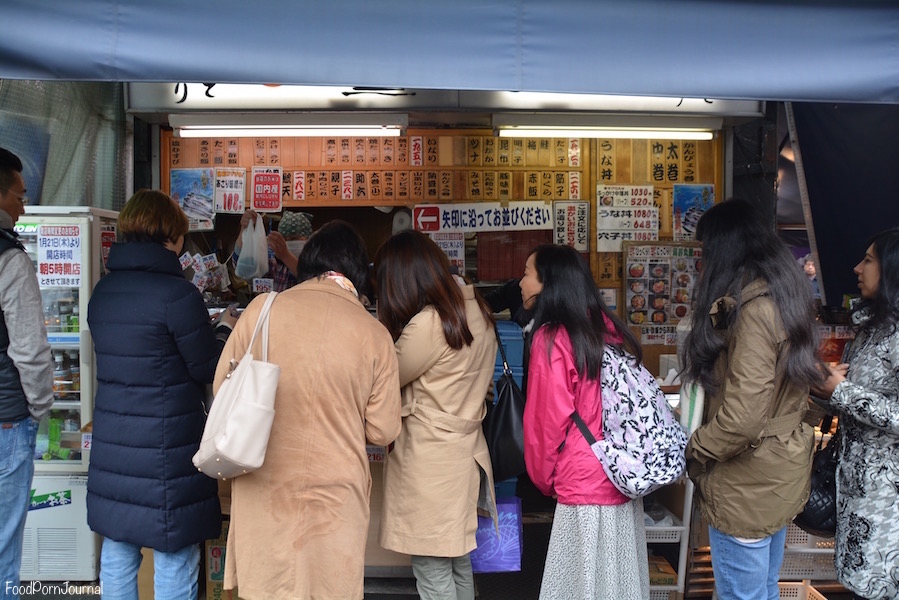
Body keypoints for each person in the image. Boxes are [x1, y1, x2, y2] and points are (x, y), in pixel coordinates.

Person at [215, 220, 401, 600]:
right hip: (334, 499)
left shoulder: (261, 310)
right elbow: (382, 431)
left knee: (268, 587)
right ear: (356, 272)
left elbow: (222, 390)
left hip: (264, 487)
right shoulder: (374, 333)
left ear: (310, 262)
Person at [86, 189, 237, 600]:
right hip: (167, 450)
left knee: (118, 547)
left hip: (116, 449)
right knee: (173, 551)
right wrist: (223, 328)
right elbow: (206, 367)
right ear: (170, 237)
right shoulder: (177, 295)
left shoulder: (103, 292)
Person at [679, 199, 822, 600]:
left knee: (743, 594)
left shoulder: (755, 311)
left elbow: (742, 417)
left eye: (704, 250)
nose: (699, 261)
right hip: (775, 471)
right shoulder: (782, 298)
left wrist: (696, 450)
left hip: (747, 481)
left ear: (725, 249)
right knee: (762, 589)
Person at [519, 243, 649, 600]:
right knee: (615, 585)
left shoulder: (552, 338)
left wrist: (544, 481)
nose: (520, 282)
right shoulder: (612, 330)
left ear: (550, 283)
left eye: (528, 274)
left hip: (581, 482)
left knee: (578, 586)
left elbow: (546, 425)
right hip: (620, 474)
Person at [375, 230, 498, 600]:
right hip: (463, 454)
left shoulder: (430, 323)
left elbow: (386, 378)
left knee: (431, 568)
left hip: (431, 461)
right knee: (456, 558)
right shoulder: (476, 309)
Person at [811, 228, 899, 600]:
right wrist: (822, 388)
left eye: (868, 259)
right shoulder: (871, 329)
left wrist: (841, 390)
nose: (856, 268)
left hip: (888, 504)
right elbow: (849, 401)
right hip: (855, 492)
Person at [0, 148, 53, 599]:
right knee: (2, 546)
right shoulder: (10, 259)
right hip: (6, 420)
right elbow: (30, 350)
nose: (23, 205)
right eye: (18, 195)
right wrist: (40, 406)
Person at [232, 209, 312, 291]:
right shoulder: (271, 260)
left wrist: (286, 256)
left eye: (294, 238)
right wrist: (244, 228)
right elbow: (241, 265)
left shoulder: (315, 260)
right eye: (284, 239)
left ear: (308, 239)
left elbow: (312, 279)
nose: (287, 243)